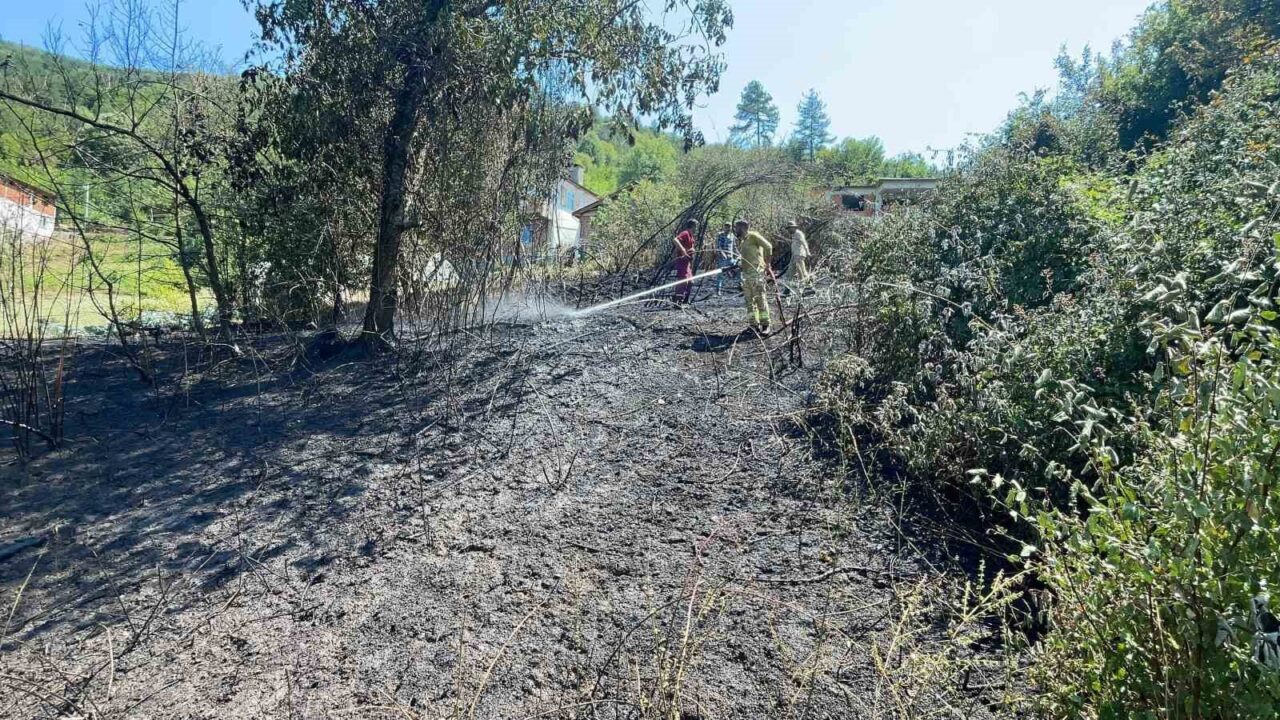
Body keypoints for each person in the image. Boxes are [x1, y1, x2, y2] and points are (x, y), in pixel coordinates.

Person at [734, 219, 772, 333]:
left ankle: (765, 324)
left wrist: (767, 265)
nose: (735, 230)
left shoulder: (753, 236)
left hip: (756, 274)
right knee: (749, 302)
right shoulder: (742, 241)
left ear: (742, 228)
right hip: (745, 276)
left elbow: (768, 247)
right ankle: (753, 325)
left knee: (760, 300)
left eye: (737, 227)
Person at [781, 220, 811, 295]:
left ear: (793, 227)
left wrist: (808, 252)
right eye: (788, 228)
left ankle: (808, 288)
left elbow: (804, 242)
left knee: (802, 272)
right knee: (789, 273)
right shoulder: (793, 235)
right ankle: (787, 290)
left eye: (789, 228)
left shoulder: (799, 233)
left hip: (799, 255)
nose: (788, 230)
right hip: (794, 256)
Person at [672, 219, 698, 304]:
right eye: (696, 226)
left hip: (687, 263)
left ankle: (685, 301)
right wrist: (683, 250)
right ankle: (678, 301)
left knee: (690, 281)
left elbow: (691, 247)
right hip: (682, 261)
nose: (696, 229)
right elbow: (675, 240)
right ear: (693, 226)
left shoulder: (691, 236)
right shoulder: (685, 233)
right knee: (683, 280)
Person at [714, 222, 738, 294]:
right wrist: (722, 253)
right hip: (722, 259)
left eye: (729, 227)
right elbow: (718, 246)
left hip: (730, 258)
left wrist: (738, 254)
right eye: (726, 227)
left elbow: (734, 247)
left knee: (738, 269)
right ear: (724, 227)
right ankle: (718, 290)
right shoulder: (720, 235)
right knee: (720, 274)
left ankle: (741, 285)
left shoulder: (732, 236)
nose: (727, 228)